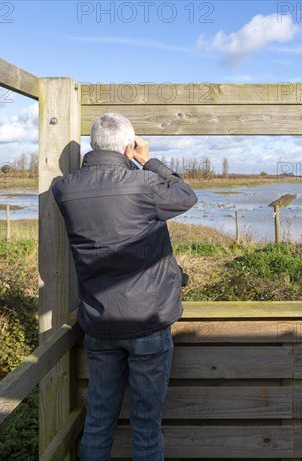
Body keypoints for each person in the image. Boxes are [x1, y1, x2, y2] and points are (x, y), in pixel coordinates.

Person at [52, 112, 197, 460]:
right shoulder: (144, 184)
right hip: (147, 321)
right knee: (146, 425)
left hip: (99, 323)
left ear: (92, 145)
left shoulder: (63, 189)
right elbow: (185, 195)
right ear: (129, 147)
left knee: (99, 419)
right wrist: (150, 162)